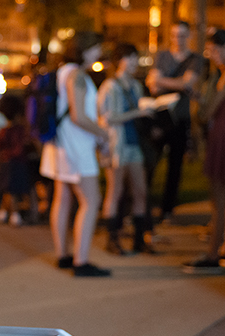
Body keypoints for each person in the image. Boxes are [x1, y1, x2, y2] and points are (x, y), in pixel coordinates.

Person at [39, 31, 111, 277]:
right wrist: (103, 133)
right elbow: (79, 116)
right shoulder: (78, 75)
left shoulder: (61, 72)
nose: (99, 54)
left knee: (63, 199)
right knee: (91, 201)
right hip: (76, 147)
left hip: (59, 146)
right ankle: (81, 261)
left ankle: (64, 255)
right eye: (96, 48)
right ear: (85, 49)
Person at [183, 29, 225, 272]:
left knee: (219, 197)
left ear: (223, 47)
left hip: (223, 134)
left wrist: (198, 99)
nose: (211, 56)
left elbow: (210, 111)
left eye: (213, 50)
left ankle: (214, 253)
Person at [97, 42, 156, 255]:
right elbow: (108, 119)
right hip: (116, 144)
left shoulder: (135, 86)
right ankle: (112, 238)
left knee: (140, 191)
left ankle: (139, 239)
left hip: (133, 143)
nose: (134, 62)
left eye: (135, 58)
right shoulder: (110, 87)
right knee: (115, 191)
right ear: (119, 61)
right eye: (129, 58)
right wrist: (138, 114)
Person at [146, 21, 206, 222]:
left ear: (188, 36)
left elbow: (186, 82)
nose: (177, 40)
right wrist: (179, 86)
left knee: (175, 167)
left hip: (180, 118)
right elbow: (152, 86)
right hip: (160, 117)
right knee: (150, 164)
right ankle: (143, 208)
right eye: (174, 35)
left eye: (181, 35)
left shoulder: (195, 59)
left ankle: (167, 210)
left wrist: (163, 82)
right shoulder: (162, 55)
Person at [0, 95, 33, 227]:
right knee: (13, 189)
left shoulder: (3, 131)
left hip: (6, 163)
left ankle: (3, 212)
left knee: (8, 189)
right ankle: (14, 214)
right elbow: (21, 148)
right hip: (18, 163)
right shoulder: (21, 130)